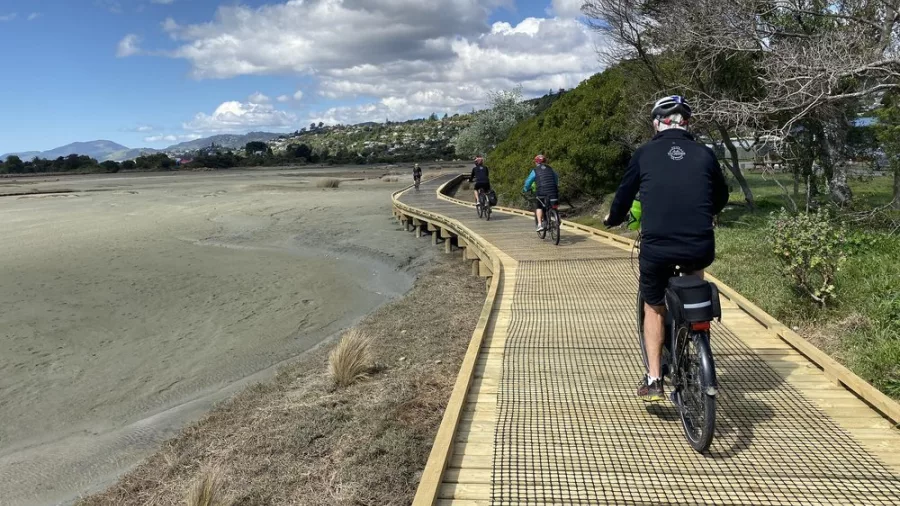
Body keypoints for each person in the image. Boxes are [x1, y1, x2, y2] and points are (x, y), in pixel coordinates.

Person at [603, 95, 729, 402]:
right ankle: (697, 336)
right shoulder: (704, 153)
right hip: (699, 246)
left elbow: (624, 195)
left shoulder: (645, 154)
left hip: (657, 249)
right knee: (695, 283)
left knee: (653, 306)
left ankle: (655, 379)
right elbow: (721, 196)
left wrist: (613, 218)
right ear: (687, 123)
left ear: (656, 123)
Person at [522, 155, 559, 232]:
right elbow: (556, 178)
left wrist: (525, 189)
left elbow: (529, 181)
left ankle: (539, 225)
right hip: (553, 191)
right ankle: (558, 218)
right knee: (554, 205)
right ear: (545, 161)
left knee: (539, 206)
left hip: (541, 192)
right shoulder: (551, 169)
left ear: (537, 162)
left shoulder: (535, 170)